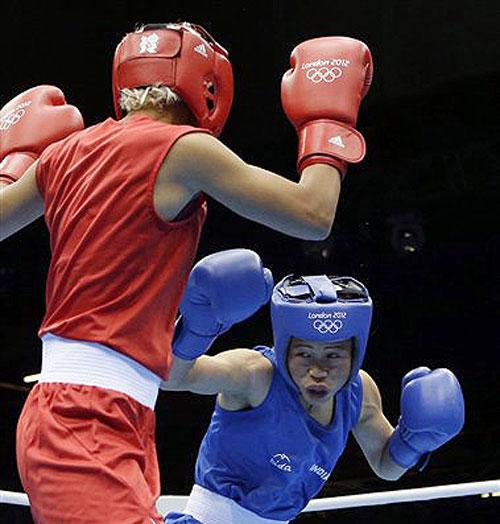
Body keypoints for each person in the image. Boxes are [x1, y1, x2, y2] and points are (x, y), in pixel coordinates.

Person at [0, 23, 373, 523]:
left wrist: (11, 170)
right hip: (84, 417)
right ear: (209, 86)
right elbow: (312, 214)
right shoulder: (184, 148)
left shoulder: (62, 153)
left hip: (105, 414)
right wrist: (328, 121)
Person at [161, 249, 465, 524]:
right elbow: (173, 377)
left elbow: (386, 466)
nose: (318, 370)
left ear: (354, 355)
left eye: (333, 355)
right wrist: (199, 326)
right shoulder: (255, 374)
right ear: (284, 351)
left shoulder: (358, 392)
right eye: (304, 354)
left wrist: (414, 441)